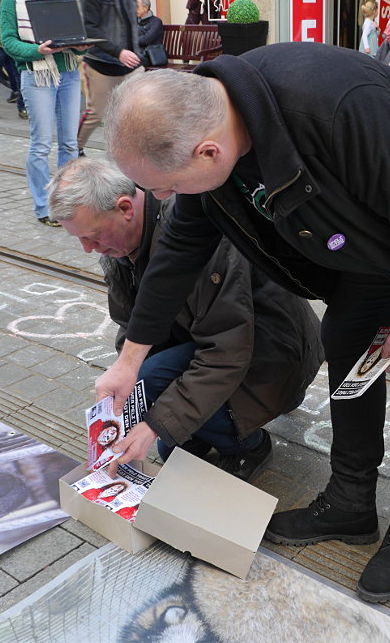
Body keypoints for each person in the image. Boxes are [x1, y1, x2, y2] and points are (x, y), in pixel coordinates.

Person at [95, 43, 390, 604]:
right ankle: (350, 503)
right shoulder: (215, 123)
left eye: (164, 187)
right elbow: (180, 249)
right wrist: (129, 359)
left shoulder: (337, 107)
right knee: (345, 337)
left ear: (208, 151)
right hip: (382, 231)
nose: (160, 199)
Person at [47, 157, 324, 481]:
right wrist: (128, 389)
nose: (87, 249)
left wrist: (156, 423)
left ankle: (251, 445)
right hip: (212, 339)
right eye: (79, 239)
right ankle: (215, 423)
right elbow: (130, 326)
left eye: (92, 237)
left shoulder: (194, 234)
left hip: (271, 352)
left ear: (125, 208)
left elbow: (227, 352)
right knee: (162, 428)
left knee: (154, 396)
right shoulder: (119, 248)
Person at [0, 0, 86, 227]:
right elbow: (8, 41)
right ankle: (43, 207)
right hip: (37, 75)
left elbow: (72, 36)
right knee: (41, 145)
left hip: (68, 74)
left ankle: (66, 202)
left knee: (70, 144)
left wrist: (80, 47)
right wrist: (38, 50)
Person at [77, 0, 142, 157]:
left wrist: (134, 50)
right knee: (97, 113)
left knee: (135, 111)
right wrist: (118, 52)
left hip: (131, 65)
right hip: (101, 63)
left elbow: (131, 21)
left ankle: (129, 153)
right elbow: (89, 27)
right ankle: (75, 147)